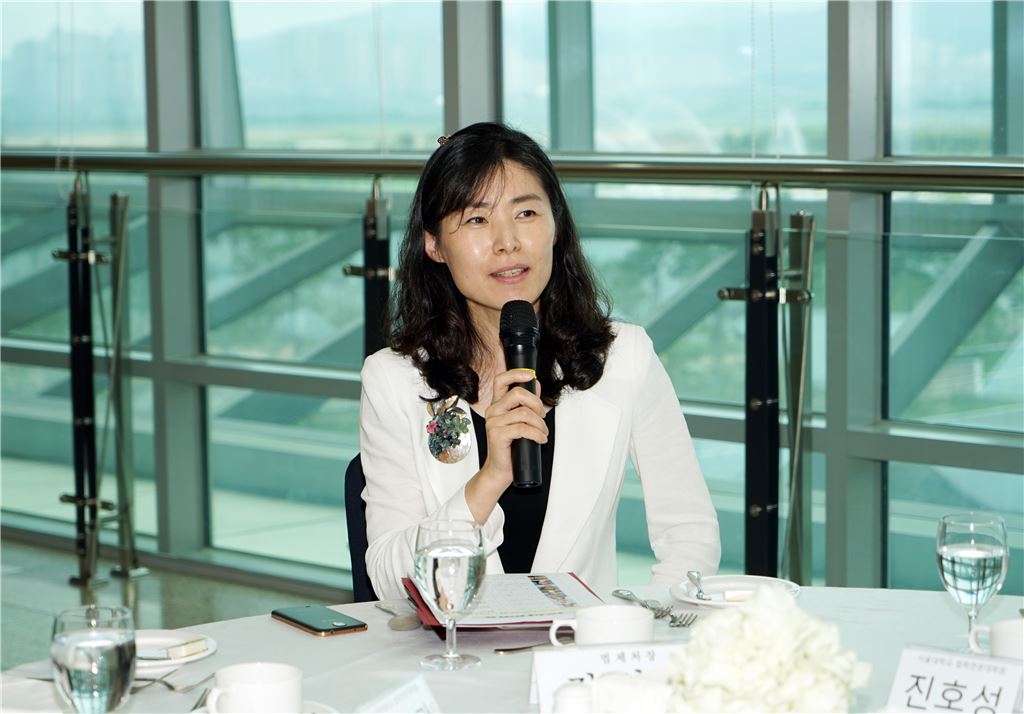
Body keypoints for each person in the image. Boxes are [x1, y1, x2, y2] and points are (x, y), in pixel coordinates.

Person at [359, 122, 720, 601]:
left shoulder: (624, 358)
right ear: (434, 245)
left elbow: (690, 534)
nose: (507, 241)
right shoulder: (394, 379)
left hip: (582, 644)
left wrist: (635, 624)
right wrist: (489, 480)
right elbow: (388, 581)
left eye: (526, 212)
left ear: (556, 225)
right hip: (454, 643)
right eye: (476, 220)